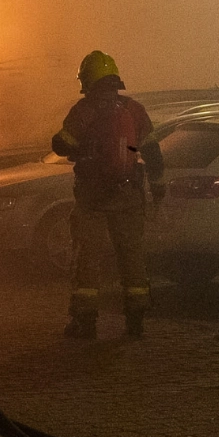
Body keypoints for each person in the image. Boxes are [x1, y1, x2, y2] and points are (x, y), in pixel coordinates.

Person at [51, 51, 165, 339]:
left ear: (88, 80)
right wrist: (158, 184)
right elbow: (151, 150)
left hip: (92, 198)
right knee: (131, 256)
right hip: (128, 195)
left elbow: (61, 145)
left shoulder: (84, 110)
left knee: (87, 257)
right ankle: (136, 320)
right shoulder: (135, 110)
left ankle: (85, 323)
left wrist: (78, 149)